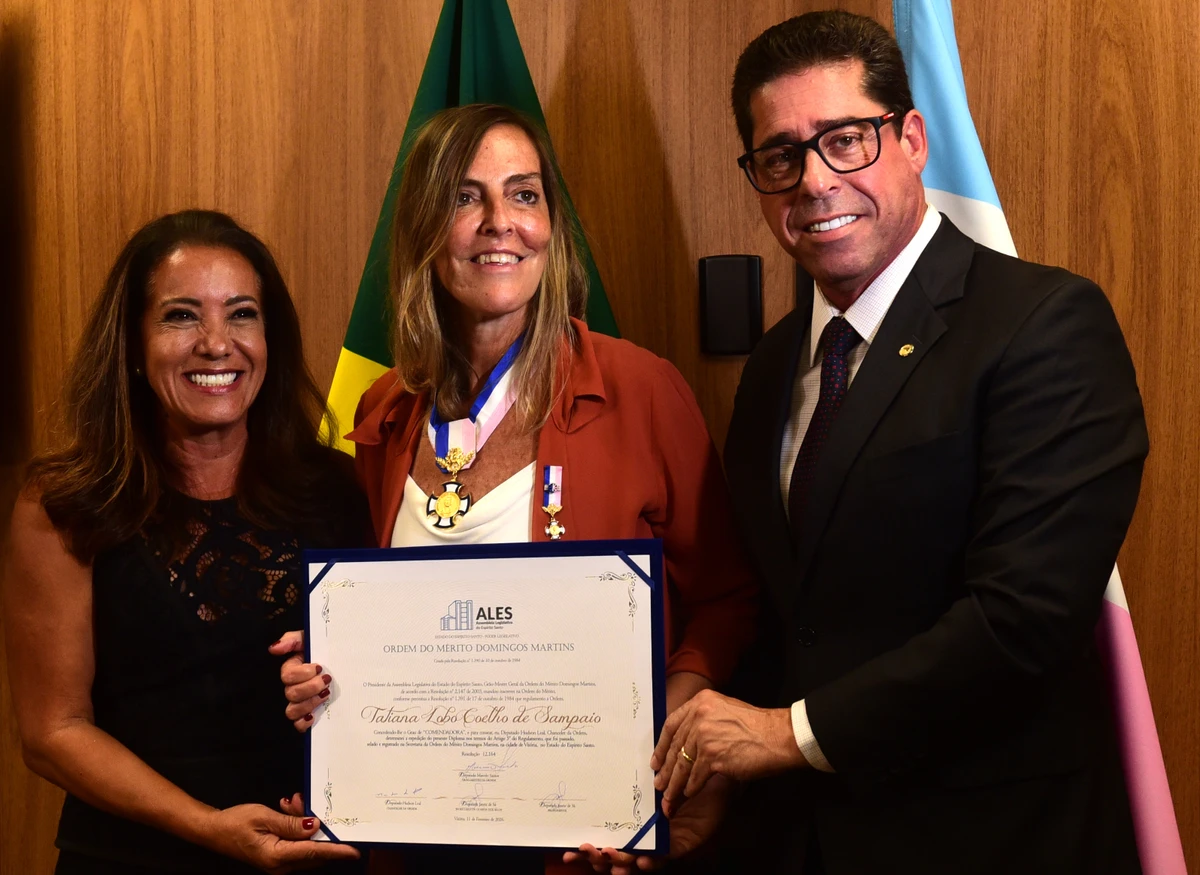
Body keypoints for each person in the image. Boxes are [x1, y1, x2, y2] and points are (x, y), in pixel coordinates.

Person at [622, 10, 1148, 875]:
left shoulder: (1043, 324)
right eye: (781, 155)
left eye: (845, 140)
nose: (814, 180)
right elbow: (787, 616)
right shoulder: (771, 368)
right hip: (801, 843)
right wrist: (706, 772)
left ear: (911, 140)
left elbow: (1023, 620)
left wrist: (782, 735)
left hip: (995, 842)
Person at [272, 104, 759, 875]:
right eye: (465, 197)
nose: (500, 221)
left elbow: (728, 598)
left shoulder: (640, 389)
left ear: (551, 227)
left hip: (583, 843)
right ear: (425, 228)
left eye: (524, 194)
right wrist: (328, 673)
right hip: (415, 842)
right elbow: (381, 617)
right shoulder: (385, 410)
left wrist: (657, 729)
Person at [5, 210, 368, 874]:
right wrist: (208, 827)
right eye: (180, 316)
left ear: (270, 338)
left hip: (313, 854)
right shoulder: (64, 504)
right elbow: (52, 732)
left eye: (242, 314)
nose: (216, 343)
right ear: (133, 346)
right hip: (130, 858)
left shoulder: (340, 490)